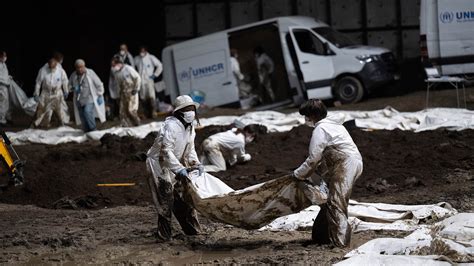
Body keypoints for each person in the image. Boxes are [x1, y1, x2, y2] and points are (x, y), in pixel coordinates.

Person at [292, 99, 363, 247]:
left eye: (306, 115)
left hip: (345, 164)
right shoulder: (335, 125)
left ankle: (340, 244)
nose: (305, 119)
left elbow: (313, 159)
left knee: (337, 203)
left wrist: (297, 174)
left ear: (311, 115)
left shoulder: (321, 129)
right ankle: (325, 236)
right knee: (332, 202)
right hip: (352, 162)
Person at [146, 95, 204, 240]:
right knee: (165, 198)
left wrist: (195, 163)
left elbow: (190, 149)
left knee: (184, 196)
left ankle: (192, 230)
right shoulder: (171, 126)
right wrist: (179, 169)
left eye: (192, 108)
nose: (191, 111)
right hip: (159, 163)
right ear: (180, 111)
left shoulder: (190, 128)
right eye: (187, 109)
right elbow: (166, 151)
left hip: (174, 162)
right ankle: (164, 235)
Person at [69, 59, 106, 132]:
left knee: (87, 111)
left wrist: (100, 94)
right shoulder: (73, 75)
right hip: (79, 99)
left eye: (81, 67)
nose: (80, 69)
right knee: (82, 116)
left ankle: (93, 128)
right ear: (75, 67)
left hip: (89, 97)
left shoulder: (90, 73)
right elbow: (69, 86)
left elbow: (99, 84)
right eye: (78, 67)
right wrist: (73, 88)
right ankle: (86, 130)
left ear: (84, 66)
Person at [32, 58, 69, 128]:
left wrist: (66, 90)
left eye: (53, 67)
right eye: (50, 67)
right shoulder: (43, 70)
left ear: (56, 65)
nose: (52, 69)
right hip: (46, 93)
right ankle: (43, 123)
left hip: (57, 93)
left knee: (60, 109)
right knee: (43, 109)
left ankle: (62, 122)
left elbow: (65, 81)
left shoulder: (60, 71)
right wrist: (36, 93)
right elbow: (38, 83)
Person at [110, 56, 141, 127]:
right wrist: (119, 94)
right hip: (123, 92)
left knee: (131, 110)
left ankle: (137, 124)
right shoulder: (116, 73)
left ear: (119, 63)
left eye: (114, 65)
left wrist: (136, 89)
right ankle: (126, 125)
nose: (113, 67)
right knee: (122, 111)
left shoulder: (128, 69)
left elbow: (137, 77)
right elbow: (118, 84)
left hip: (131, 91)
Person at [108, 44, 135, 120]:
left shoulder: (129, 57)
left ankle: (128, 115)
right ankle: (120, 115)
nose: (122, 50)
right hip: (118, 82)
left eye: (123, 49)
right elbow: (113, 69)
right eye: (121, 49)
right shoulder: (116, 57)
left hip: (127, 81)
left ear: (126, 49)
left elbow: (132, 68)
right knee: (119, 100)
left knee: (128, 100)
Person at [134, 46, 163, 118]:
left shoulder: (151, 57)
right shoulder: (137, 59)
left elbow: (160, 65)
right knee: (143, 97)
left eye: (143, 51)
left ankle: (153, 112)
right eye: (140, 51)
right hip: (141, 81)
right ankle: (145, 113)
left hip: (149, 80)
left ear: (146, 51)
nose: (142, 53)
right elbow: (132, 66)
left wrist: (155, 75)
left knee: (151, 96)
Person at [0, 51, 10, 125]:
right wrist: (5, 81)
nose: (5, 57)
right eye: (3, 56)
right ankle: (1, 120)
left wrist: (9, 78)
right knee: (2, 103)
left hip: (5, 86)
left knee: (6, 103)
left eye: (5, 56)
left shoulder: (4, 65)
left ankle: (5, 118)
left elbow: (5, 74)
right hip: (1, 86)